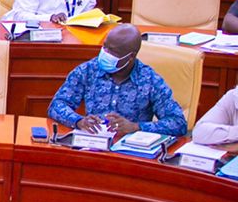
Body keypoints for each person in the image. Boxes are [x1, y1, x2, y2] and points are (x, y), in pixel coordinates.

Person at [48, 23, 188, 137]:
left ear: (130, 57)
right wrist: (79, 121)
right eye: (105, 47)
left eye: (112, 51)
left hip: (131, 152)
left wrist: (136, 127)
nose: (105, 54)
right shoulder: (88, 70)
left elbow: (178, 123)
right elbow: (57, 105)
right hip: (92, 145)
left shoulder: (150, 80)